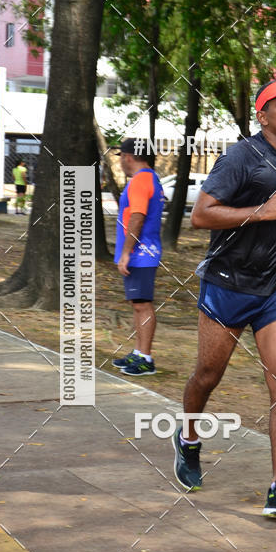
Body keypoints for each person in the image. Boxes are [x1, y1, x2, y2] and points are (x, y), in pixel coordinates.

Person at [172, 79, 276, 517]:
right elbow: (200, 215)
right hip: (227, 284)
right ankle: (188, 439)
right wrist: (258, 212)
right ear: (263, 117)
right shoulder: (240, 157)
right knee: (208, 375)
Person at [113, 138, 165, 376]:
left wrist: (126, 252)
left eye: (121, 157)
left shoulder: (141, 180)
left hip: (141, 253)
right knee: (138, 304)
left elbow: (137, 216)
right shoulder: (150, 178)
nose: (121, 162)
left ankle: (145, 358)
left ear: (127, 157)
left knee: (142, 305)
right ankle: (138, 352)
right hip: (142, 252)